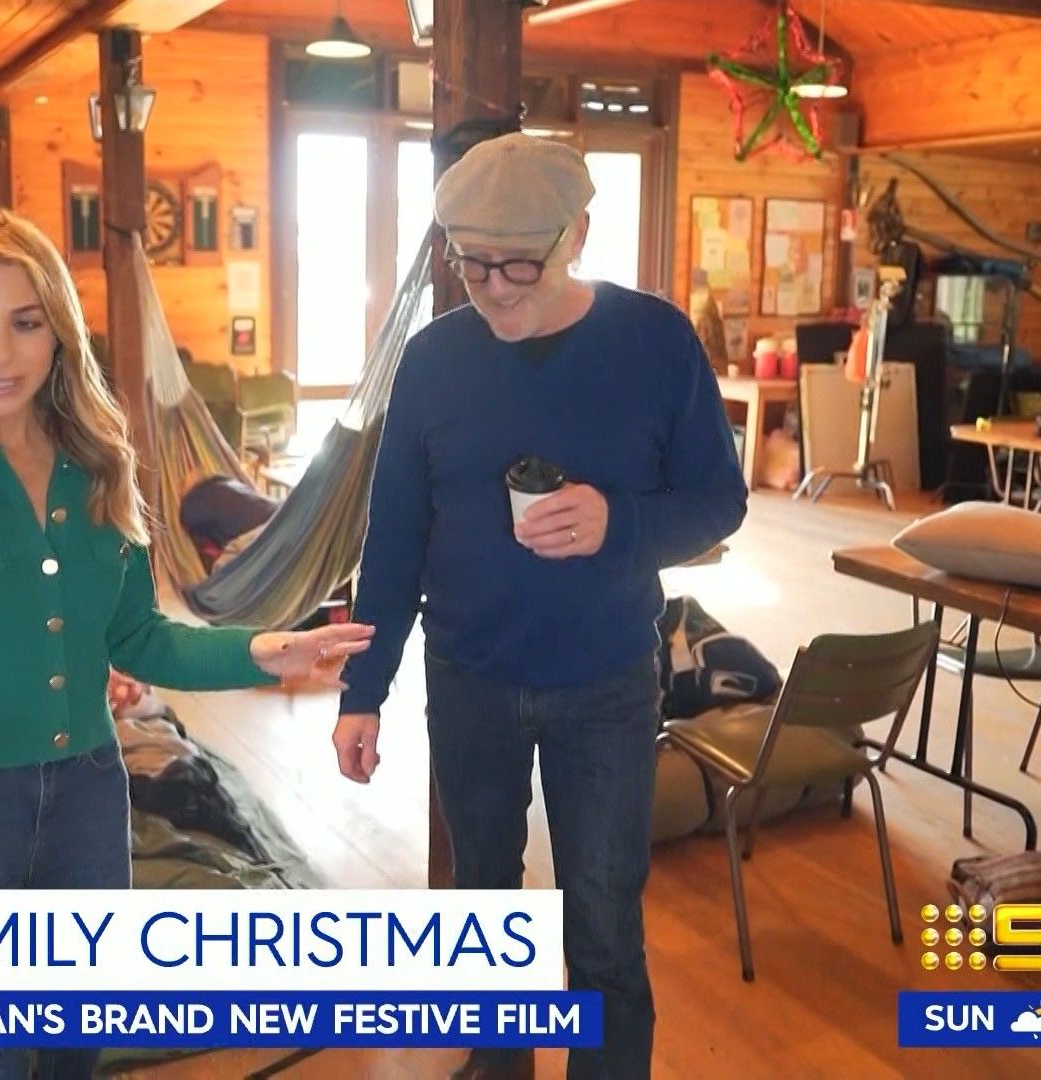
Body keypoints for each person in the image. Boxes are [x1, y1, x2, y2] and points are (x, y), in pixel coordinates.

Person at [0, 207, 374, 1080]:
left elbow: (138, 637)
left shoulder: (102, 461)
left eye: (25, 322)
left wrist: (257, 652)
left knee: (77, 1052)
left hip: (88, 792)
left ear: (58, 333)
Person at [331, 135, 747, 1079]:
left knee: (602, 923)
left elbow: (719, 502)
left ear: (579, 235)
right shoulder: (433, 361)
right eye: (472, 263)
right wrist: (365, 691)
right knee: (483, 913)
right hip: (468, 679)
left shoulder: (653, 343)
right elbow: (393, 537)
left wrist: (618, 522)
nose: (494, 289)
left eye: (520, 264)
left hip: (606, 685)